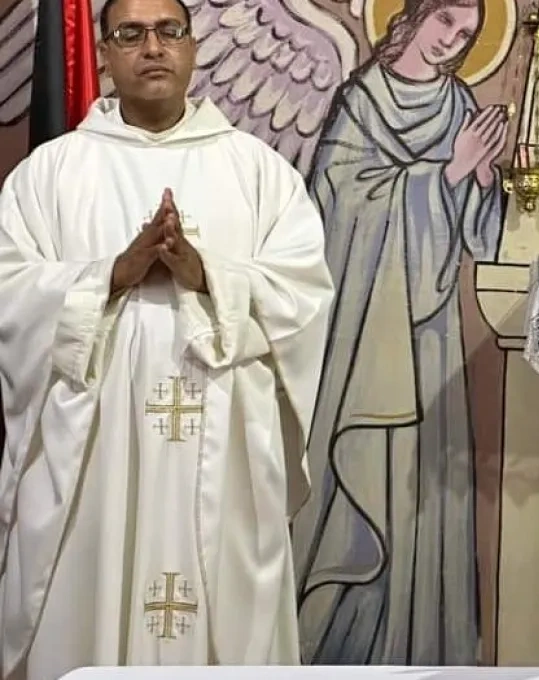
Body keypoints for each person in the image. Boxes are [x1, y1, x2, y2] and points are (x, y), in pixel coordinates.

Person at [0, 0, 334, 677]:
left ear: (191, 46)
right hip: (94, 460)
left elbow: (303, 297)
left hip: (225, 458)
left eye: (168, 31)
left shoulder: (260, 173)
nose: (151, 47)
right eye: (130, 34)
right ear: (104, 53)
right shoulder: (48, 174)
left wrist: (206, 272)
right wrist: (109, 276)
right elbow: (10, 292)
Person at [294, 0, 507, 665]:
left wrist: (478, 177)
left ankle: (415, 651)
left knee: (417, 492)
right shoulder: (362, 100)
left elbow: (482, 232)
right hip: (363, 331)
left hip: (429, 336)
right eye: (446, 22)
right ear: (414, 17)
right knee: (361, 483)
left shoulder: (461, 104)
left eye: (468, 34)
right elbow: (334, 207)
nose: (453, 41)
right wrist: (443, 173)